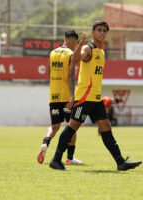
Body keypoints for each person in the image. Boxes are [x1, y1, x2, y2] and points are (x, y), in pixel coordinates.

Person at [49, 21, 142, 171]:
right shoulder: (88, 48)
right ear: (93, 32)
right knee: (72, 127)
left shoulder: (101, 51)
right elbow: (75, 59)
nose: (102, 33)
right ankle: (55, 160)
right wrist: (82, 42)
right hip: (84, 97)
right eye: (99, 30)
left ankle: (120, 162)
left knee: (106, 127)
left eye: (105, 30)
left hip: (95, 98)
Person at [36, 30, 87, 165]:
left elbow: (49, 73)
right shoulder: (70, 54)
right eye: (76, 43)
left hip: (53, 96)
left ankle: (45, 143)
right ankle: (70, 157)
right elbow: (70, 76)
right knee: (72, 126)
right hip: (66, 97)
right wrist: (72, 96)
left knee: (54, 126)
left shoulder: (52, 53)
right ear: (72, 41)